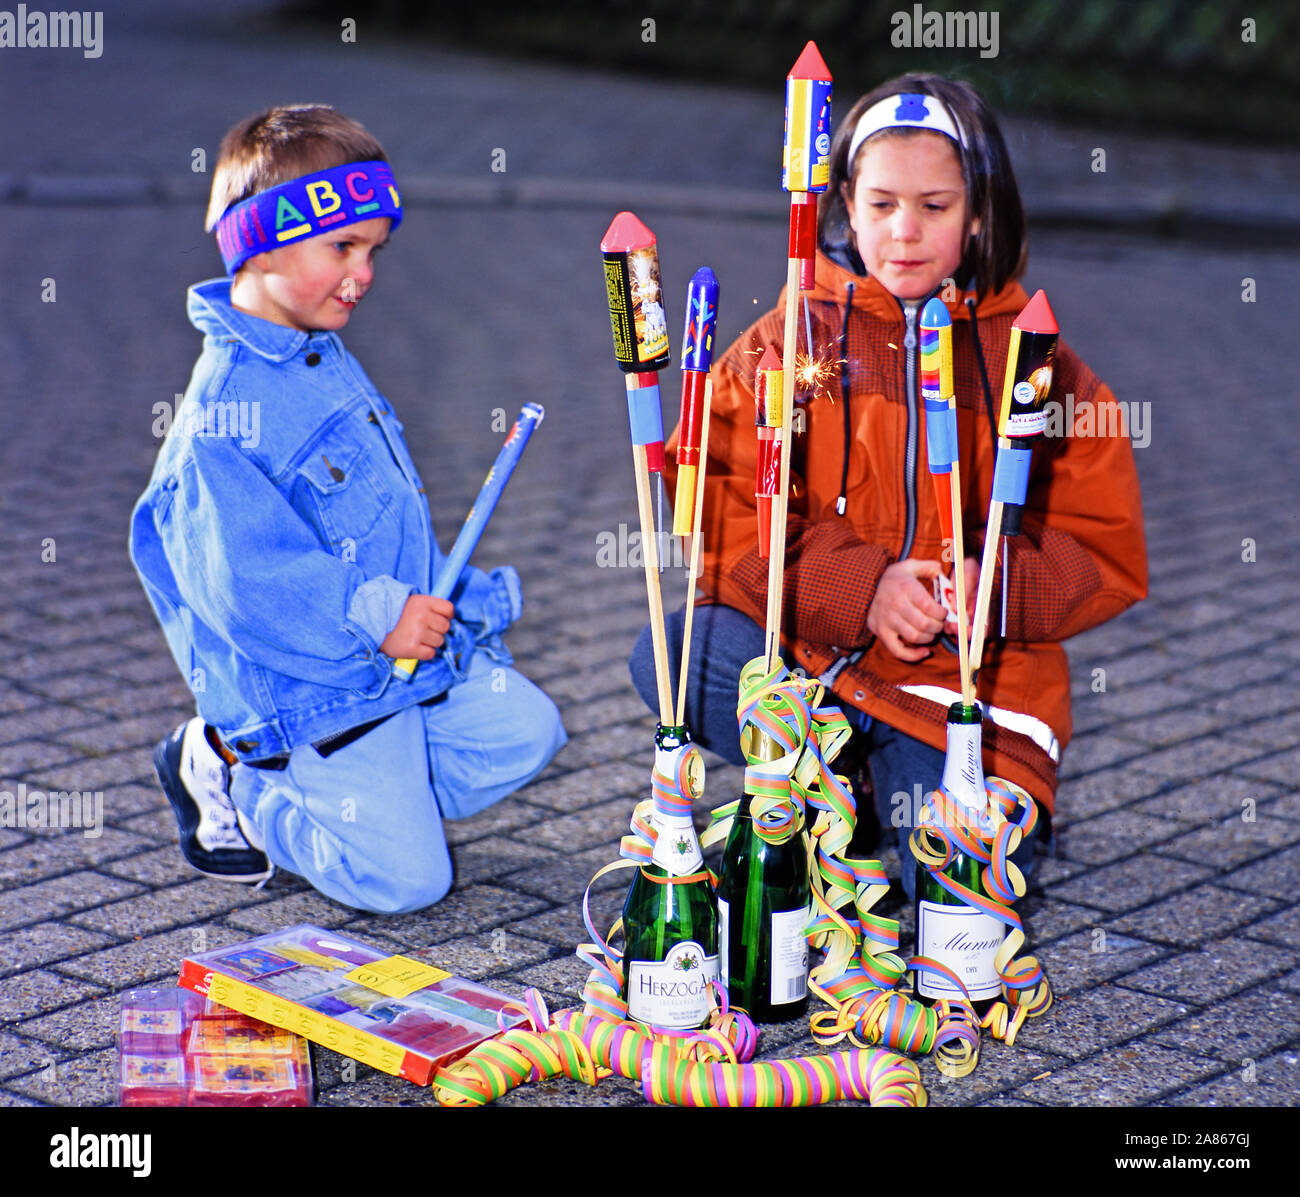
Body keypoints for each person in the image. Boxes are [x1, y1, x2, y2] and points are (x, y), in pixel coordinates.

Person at [630, 74, 1147, 896]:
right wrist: (861, 588)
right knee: (677, 657)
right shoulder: (790, 341)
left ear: (978, 210)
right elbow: (720, 517)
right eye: (881, 205)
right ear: (843, 202)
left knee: (943, 880)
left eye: (935, 207)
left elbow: (1104, 542)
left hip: (957, 691)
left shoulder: (1034, 360)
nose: (904, 233)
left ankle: (877, 803)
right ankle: (833, 777)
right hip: (823, 662)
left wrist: (995, 587)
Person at [130, 105, 566, 913]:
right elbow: (251, 585)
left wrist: (428, 600)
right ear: (257, 242)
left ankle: (376, 802)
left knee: (527, 729)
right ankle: (245, 789)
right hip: (317, 693)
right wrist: (379, 611)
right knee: (410, 882)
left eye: (373, 250)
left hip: (391, 670)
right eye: (342, 247)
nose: (363, 273)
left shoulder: (313, 352)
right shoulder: (221, 419)